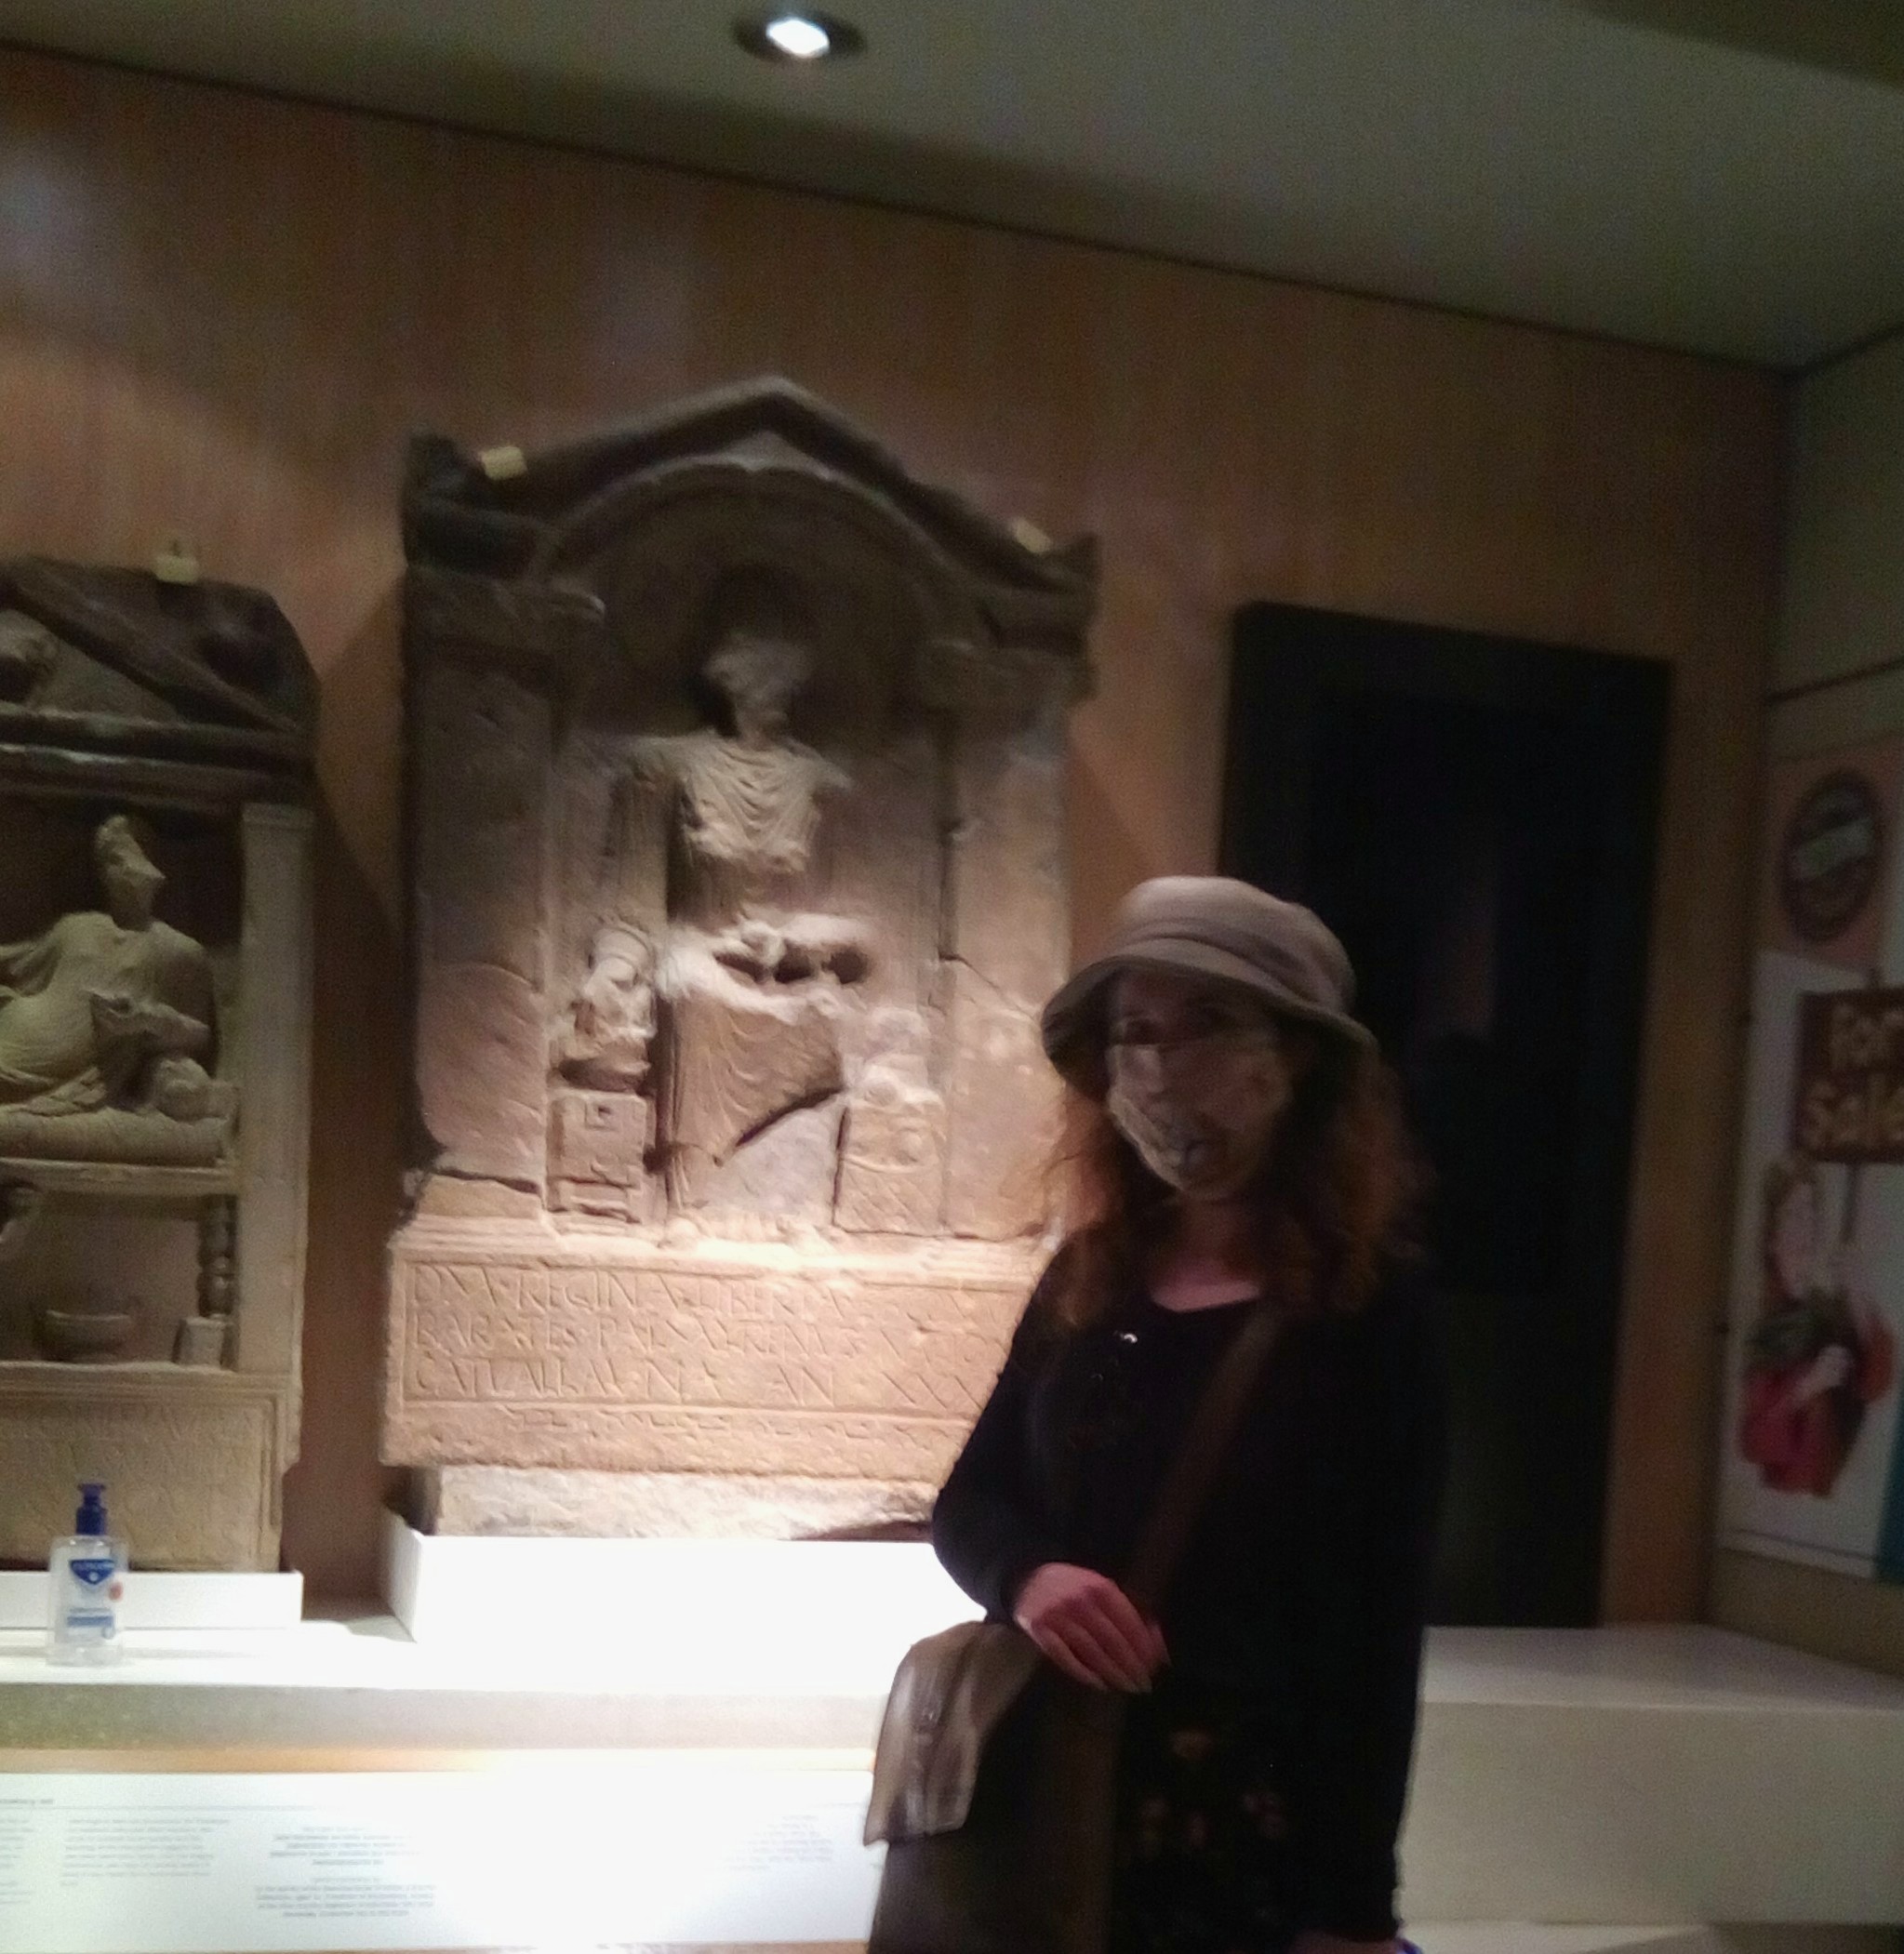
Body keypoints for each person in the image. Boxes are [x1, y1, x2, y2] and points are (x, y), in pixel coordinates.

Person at [932, 876, 1444, 1954]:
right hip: (1059, 1800)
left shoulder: (1366, 1309)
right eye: (1136, 1031)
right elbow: (972, 1499)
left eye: (1207, 1021)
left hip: (1242, 1835)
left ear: (1293, 1055)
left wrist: (1354, 1910)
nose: (1163, 1066)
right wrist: (1028, 1577)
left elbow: (1374, 1630)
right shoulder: (1092, 1275)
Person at [1738, 1151, 1895, 1497]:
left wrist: (1857, 1295)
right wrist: (1808, 1386)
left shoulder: (1826, 1309)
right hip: (1784, 1497)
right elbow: (1754, 1442)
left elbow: (1875, 1384)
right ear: (1772, 1238)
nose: (1806, 1227)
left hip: (1831, 1488)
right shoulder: (1766, 1326)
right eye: (1794, 1215)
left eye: (1811, 1212)